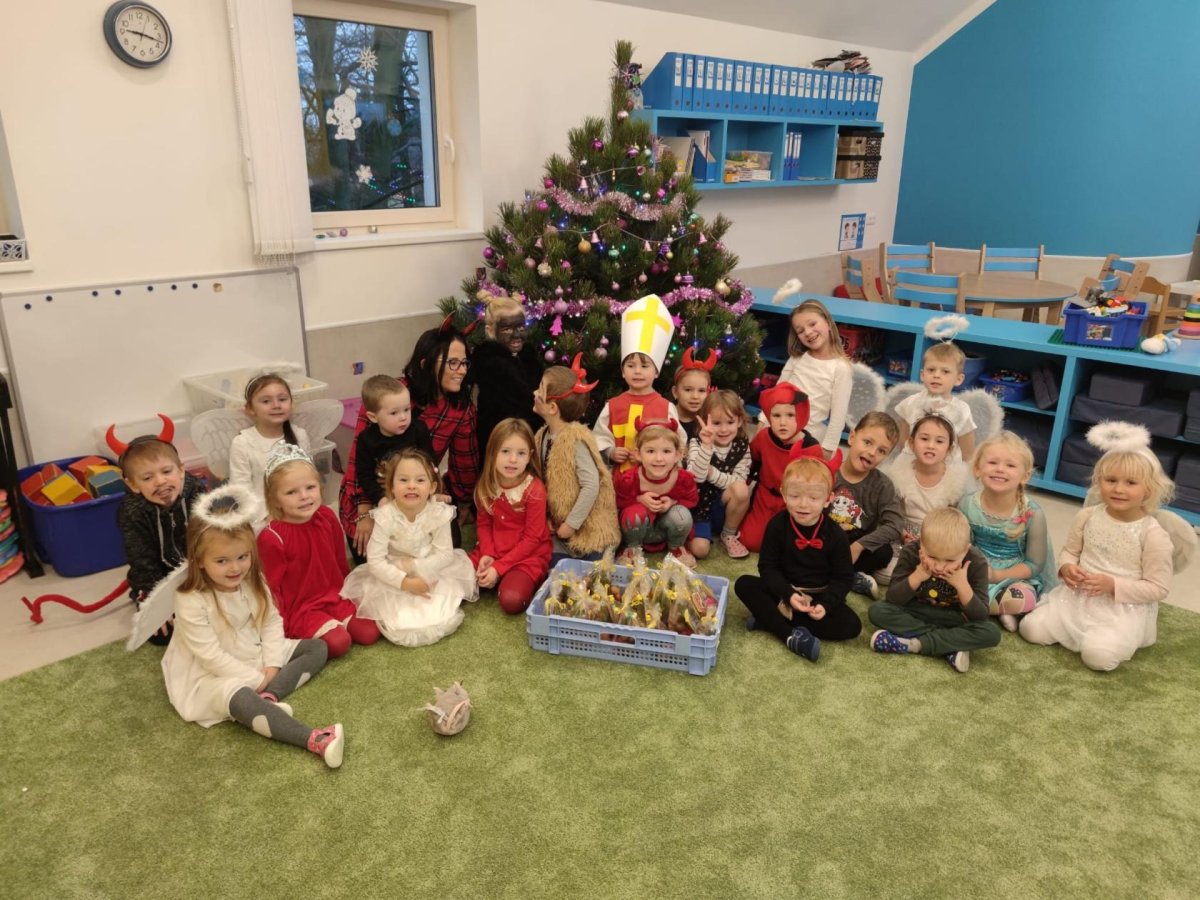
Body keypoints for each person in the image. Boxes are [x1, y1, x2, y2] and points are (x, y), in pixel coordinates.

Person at [162, 485, 344, 767]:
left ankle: (269, 698)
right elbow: (209, 655)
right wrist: (255, 679)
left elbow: (271, 621)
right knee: (239, 697)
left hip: (253, 650)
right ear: (199, 560)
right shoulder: (190, 599)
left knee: (317, 648)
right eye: (221, 561)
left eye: (242, 557)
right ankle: (315, 739)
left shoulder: (251, 579)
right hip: (210, 673)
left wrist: (271, 665)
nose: (235, 568)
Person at [1020, 433, 1180, 671]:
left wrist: (1112, 585)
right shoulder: (1087, 516)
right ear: (1098, 481)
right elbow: (1070, 551)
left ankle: (1103, 641)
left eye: (1131, 483)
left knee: (1098, 657)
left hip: (1120, 609)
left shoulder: (1153, 534)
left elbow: (1158, 588)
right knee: (1030, 629)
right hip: (1075, 598)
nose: (1119, 489)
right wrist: (1067, 567)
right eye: (1111, 480)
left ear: (1149, 489)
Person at [340, 317, 479, 540]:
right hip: (374, 494)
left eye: (464, 363)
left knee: (447, 543)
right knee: (377, 550)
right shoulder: (388, 395)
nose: (461, 370)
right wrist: (364, 510)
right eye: (453, 362)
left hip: (421, 492)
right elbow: (358, 463)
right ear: (426, 364)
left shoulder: (460, 409)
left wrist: (462, 502)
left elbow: (464, 464)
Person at [342, 448, 477, 645]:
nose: (411, 486)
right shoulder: (385, 516)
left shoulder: (438, 512)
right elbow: (375, 561)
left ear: (432, 487)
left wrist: (417, 569)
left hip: (430, 568)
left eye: (420, 480)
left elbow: (445, 554)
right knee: (402, 621)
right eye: (403, 480)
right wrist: (405, 582)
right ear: (391, 487)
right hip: (395, 571)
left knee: (437, 614)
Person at [258, 444, 381, 658]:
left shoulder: (327, 517)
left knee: (370, 632)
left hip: (333, 596)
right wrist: (279, 628)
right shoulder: (272, 537)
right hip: (301, 608)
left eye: (310, 487)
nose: (304, 496)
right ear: (275, 499)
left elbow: (340, 562)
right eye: (291, 492)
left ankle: (335, 621)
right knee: (339, 643)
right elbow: (271, 588)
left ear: (320, 487)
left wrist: (349, 593)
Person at [734, 457, 861, 662]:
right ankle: (788, 635)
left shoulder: (836, 535)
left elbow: (844, 578)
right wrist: (788, 594)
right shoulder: (777, 525)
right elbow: (768, 568)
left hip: (818, 597)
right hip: (784, 592)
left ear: (828, 499)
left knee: (852, 625)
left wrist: (825, 605)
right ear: (784, 493)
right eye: (794, 496)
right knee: (744, 584)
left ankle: (769, 620)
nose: (803, 504)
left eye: (813, 498)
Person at [868, 507, 1000, 674]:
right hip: (915, 610)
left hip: (955, 617)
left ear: (965, 550)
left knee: (991, 633)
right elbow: (893, 598)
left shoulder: (976, 561)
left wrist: (963, 586)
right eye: (932, 557)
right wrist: (918, 576)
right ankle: (948, 645)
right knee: (878, 611)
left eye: (950, 560)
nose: (939, 567)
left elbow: (980, 616)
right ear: (921, 543)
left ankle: (916, 644)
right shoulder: (911, 551)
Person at [111, 420, 204, 646]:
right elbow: (141, 560)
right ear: (133, 485)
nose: (160, 481)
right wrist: (154, 599)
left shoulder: (197, 491)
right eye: (147, 478)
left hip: (200, 569)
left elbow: (213, 535)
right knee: (164, 635)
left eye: (167, 471)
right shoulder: (132, 512)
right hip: (159, 578)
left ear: (181, 470)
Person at [959, 431, 1057, 633]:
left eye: (1010, 465)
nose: (1000, 469)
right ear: (977, 468)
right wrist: (973, 572)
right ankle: (997, 608)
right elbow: (961, 547)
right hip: (976, 571)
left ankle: (982, 607)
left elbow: (1034, 564)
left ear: (1025, 476)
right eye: (992, 462)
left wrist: (998, 575)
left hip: (1015, 576)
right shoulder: (967, 504)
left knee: (1023, 598)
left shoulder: (1032, 514)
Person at [532, 358, 620, 564]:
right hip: (560, 526)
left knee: (593, 568)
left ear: (552, 407)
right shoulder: (542, 436)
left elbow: (591, 485)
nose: (534, 393)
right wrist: (547, 517)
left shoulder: (575, 439)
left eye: (540, 389)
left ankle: (598, 553)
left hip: (587, 527)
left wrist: (571, 524)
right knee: (552, 565)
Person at [342, 374, 434, 557]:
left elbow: (430, 463)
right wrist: (380, 498)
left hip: (416, 494)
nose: (403, 418)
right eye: (394, 413)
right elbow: (364, 475)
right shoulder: (367, 440)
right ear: (373, 417)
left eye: (407, 410)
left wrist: (430, 490)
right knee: (379, 551)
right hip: (384, 498)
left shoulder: (419, 430)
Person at [593, 294, 687, 471]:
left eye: (645, 366)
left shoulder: (666, 408)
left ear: (656, 371)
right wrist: (610, 452)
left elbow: (679, 443)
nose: (637, 371)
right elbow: (599, 438)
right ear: (623, 371)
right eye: (630, 365)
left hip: (655, 479)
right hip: (618, 479)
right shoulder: (612, 406)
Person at [470, 418, 552, 614]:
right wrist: (488, 554)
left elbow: (532, 539)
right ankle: (495, 578)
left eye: (521, 453)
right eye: (505, 451)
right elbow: (484, 524)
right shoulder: (487, 484)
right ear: (492, 452)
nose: (513, 459)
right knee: (455, 576)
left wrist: (498, 568)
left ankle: (511, 580)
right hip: (493, 550)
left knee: (512, 600)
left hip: (526, 557)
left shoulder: (534, 490)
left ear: (529, 456)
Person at [740, 382, 834, 553]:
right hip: (765, 497)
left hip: (795, 503)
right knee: (751, 541)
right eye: (776, 415)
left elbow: (819, 485)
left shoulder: (812, 449)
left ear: (801, 415)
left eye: (790, 415)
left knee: (790, 547)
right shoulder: (763, 437)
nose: (783, 422)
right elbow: (749, 463)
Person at [829, 411, 904, 598]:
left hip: (855, 544)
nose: (872, 453)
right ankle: (845, 576)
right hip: (824, 537)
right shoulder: (829, 472)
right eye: (868, 442)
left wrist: (859, 546)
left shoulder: (883, 485)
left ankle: (842, 574)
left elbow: (895, 524)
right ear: (852, 437)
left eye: (882, 451)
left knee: (884, 552)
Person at [774, 299, 852, 461]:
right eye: (800, 330)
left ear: (828, 322)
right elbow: (776, 394)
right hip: (780, 426)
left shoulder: (841, 368)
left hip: (810, 436)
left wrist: (828, 449)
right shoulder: (797, 359)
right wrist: (762, 422)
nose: (808, 332)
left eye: (812, 324)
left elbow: (838, 416)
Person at [614, 422, 698, 567]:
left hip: (667, 529)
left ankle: (676, 547)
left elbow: (692, 500)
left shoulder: (684, 478)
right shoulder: (629, 479)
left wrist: (672, 502)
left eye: (666, 451)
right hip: (638, 530)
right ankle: (632, 549)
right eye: (651, 451)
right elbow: (618, 502)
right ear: (638, 454)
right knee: (633, 514)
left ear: (677, 455)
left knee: (682, 515)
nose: (659, 458)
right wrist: (639, 499)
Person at [881, 413, 970, 546]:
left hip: (939, 538)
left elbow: (953, 520)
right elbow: (892, 513)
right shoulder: (899, 475)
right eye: (924, 439)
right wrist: (902, 533)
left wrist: (932, 539)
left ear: (949, 449)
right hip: (903, 534)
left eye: (939, 441)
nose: (931, 445)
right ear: (911, 443)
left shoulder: (955, 482)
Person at [472, 293, 543, 456]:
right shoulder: (491, 365)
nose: (517, 335)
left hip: (529, 440)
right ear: (490, 331)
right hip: (504, 444)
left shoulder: (528, 357)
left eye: (521, 327)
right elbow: (524, 403)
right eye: (507, 329)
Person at [686, 389, 752, 560]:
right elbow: (696, 477)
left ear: (739, 421)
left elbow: (739, 481)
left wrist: (712, 473)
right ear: (704, 422)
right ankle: (690, 534)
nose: (723, 429)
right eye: (716, 423)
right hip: (699, 509)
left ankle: (728, 534)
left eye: (730, 422)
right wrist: (707, 446)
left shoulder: (741, 446)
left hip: (724, 507)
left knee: (741, 489)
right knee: (700, 550)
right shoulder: (697, 443)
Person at [228, 373, 311, 502]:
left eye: (282, 399)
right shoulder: (242, 443)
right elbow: (240, 491)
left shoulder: (300, 435)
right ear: (250, 409)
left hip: (299, 507)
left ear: (291, 403)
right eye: (266, 401)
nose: (276, 405)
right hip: (261, 512)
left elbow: (309, 478)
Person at [892, 341, 977, 463]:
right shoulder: (910, 403)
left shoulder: (961, 411)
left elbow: (967, 451)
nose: (936, 375)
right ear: (922, 375)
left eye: (945, 371)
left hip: (947, 467)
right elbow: (904, 439)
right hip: (912, 463)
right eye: (931, 370)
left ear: (958, 379)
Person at [672, 347, 717, 445]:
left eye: (701, 390)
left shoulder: (709, 421)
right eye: (688, 390)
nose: (695, 396)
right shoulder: (667, 415)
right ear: (675, 392)